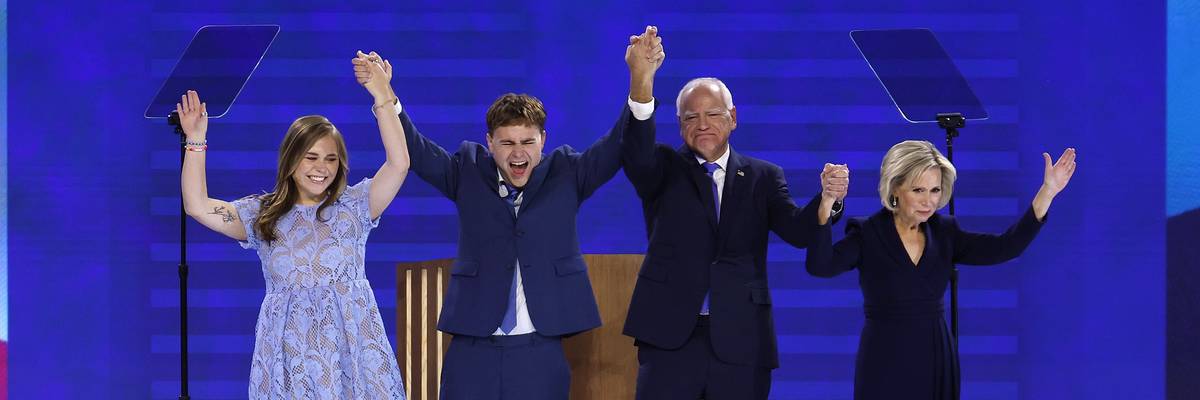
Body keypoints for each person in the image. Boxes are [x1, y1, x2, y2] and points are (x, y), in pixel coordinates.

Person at [350, 27, 663, 400]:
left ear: (543, 141)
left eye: (528, 142)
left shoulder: (568, 172)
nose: (519, 153)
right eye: (508, 143)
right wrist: (386, 96)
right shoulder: (466, 170)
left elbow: (620, 144)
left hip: (539, 350)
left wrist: (640, 82)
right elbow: (415, 150)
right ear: (490, 143)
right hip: (472, 349)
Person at [619, 26, 849, 400]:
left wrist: (827, 200)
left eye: (713, 114)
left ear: (734, 118)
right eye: (691, 118)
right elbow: (635, 151)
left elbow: (799, 232)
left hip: (742, 340)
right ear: (679, 125)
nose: (703, 124)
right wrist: (641, 81)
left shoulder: (763, 176)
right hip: (671, 338)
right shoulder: (661, 168)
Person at [178, 50, 410, 399]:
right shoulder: (263, 215)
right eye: (311, 157)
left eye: (331, 159)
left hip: (352, 357)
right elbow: (197, 206)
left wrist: (382, 96)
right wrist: (195, 139)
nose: (322, 167)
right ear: (290, 161)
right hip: (287, 361)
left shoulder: (355, 207)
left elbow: (399, 163)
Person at [805, 140, 1077, 399]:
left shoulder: (945, 233)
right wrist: (827, 203)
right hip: (884, 357)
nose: (928, 202)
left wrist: (1047, 192)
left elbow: (1005, 247)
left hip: (935, 355)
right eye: (918, 190)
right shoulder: (867, 233)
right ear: (895, 188)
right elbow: (821, 266)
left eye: (935, 190)